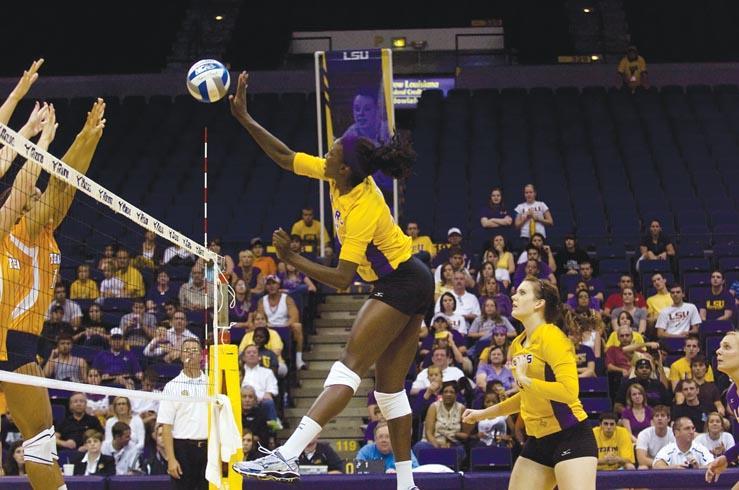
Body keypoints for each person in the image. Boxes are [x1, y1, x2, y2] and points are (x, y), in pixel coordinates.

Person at [229, 71, 433, 490]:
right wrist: (245, 118)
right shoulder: (336, 174)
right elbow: (286, 158)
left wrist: (292, 258)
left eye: (334, 150)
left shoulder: (363, 208)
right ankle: (407, 484)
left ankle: (287, 455)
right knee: (389, 391)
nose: (328, 152)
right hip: (408, 279)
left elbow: (342, 279)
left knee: (350, 366)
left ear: (344, 168)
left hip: (404, 282)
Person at [0, 91, 104, 490]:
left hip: (22, 343)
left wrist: (86, 137)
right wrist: (72, 141)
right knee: (41, 437)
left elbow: (67, 185)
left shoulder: (45, 232)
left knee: (39, 440)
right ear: (23, 202)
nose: (41, 193)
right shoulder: (22, 228)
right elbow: (55, 184)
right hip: (13, 343)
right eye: (33, 192)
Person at [462, 278, 597, 490]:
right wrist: (483, 414)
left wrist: (526, 380)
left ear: (539, 303)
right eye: (516, 293)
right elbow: (526, 396)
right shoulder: (517, 344)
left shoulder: (552, 336)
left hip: (570, 435)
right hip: (538, 440)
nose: (514, 297)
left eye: (522, 293)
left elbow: (569, 392)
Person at [157, 337, 209, 489]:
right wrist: (171, 459)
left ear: (201, 355)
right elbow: (166, 426)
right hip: (182, 449)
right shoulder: (172, 386)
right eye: (186, 350)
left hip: (207, 449)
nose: (190, 354)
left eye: (194, 350)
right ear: (180, 355)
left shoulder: (212, 383)